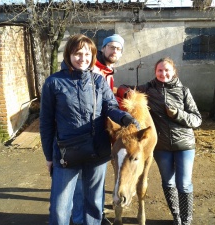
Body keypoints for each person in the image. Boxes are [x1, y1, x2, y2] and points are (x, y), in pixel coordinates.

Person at [40, 34, 140, 225]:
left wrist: (124, 117)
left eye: (87, 54)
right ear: (69, 54)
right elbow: (46, 123)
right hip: (66, 154)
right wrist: (48, 156)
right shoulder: (53, 83)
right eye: (78, 53)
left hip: (97, 151)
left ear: (93, 55)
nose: (82, 58)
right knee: (60, 209)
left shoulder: (98, 81)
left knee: (93, 205)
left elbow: (110, 107)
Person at [117, 57, 202, 225]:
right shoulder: (148, 89)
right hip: (161, 146)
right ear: (155, 72)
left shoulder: (184, 91)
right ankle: (176, 217)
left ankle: (187, 220)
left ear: (174, 71)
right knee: (168, 182)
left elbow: (197, 119)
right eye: (160, 71)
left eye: (167, 70)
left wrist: (178, 114)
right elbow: (123, 88)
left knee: (183, 183)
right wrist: (126, 93)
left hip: (184, 144)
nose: (163, 73)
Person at [71, 34, 125, 225]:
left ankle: (96, 213)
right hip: (85, 132)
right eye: (111, 47)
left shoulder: (107, 71)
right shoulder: (93, 69)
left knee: (97, 175)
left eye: (118, 49)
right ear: (102, 49)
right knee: (83, 177)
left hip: (103, 131)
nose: (115, 51)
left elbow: (107, 100)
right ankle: (81, 216)